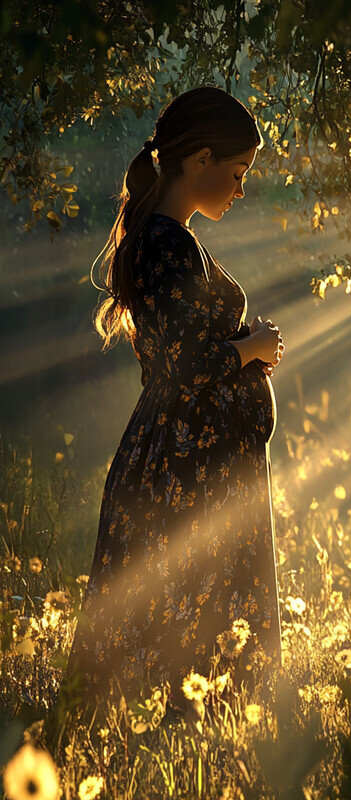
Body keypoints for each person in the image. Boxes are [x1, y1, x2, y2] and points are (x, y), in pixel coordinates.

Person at [67, 87, 284, 705]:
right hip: (183, 469)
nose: (241, 188)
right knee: (182, 622)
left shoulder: (174, 240)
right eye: (237, 173)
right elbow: (181, 367)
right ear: (200, 159)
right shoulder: (167, 244)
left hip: (198, 463)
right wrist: (252, 348)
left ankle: (200, 744)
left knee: (197, 622)